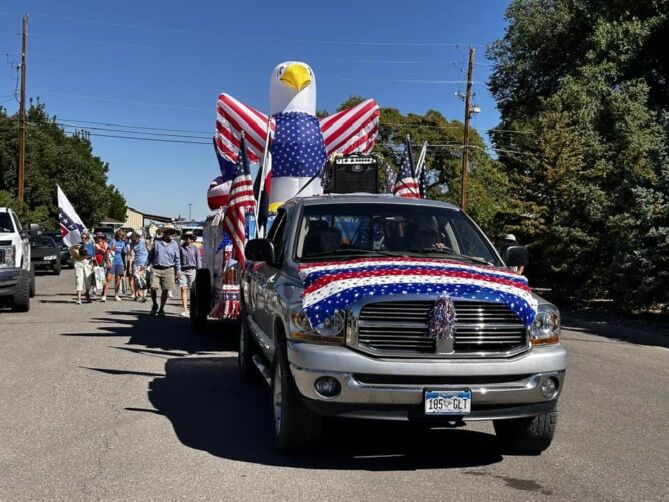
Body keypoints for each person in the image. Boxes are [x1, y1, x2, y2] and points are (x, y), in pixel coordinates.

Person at [148, 225, 181, 316]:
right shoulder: (157, 242)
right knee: (153, 287)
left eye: (173, 232)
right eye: (170, 232)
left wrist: (178, 270)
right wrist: (145, 266)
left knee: (166, 289)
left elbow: (177, 258)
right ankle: (155, 304)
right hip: (156, 268)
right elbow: (150, 255)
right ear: (164, 233)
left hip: (169, 269)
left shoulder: (175, 244)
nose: (172, 234)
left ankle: (161, 309)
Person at [178, 233, 202, 317]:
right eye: (186, 237)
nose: (188, 239)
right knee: (183, 289)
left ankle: (193, 309)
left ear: (192, 239)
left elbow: (198, 259)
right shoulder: (180, 248)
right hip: (182, 270)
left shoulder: (195, 248)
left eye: (190, 237)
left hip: (192, 270)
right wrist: (177, 271)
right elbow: (177, 260)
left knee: (193, 290)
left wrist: (199, 271)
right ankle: (185, 310)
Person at [103, 229, 127, 302]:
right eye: (123, 236)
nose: (124, 237)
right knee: (108, 278)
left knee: (118, 279)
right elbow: (107, 252)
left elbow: (123, 254)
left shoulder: (123, 242)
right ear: (120, 235)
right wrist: (108, 262)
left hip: (119, 262)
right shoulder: (113, 241)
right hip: (112, 262)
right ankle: (104, 295)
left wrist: (124, 264)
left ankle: (116, 295)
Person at [128, 232, 149, 302]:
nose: (134, 241)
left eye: (134, 239)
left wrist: (147, 263)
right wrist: (130, 266)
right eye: (132, 240)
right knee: (136, 279)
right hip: (136, 263)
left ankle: (144, 296)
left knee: (145, 280)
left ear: (138, 237)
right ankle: (136, 295)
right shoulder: (132, 244)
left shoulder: (143, 241)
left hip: (145, 262)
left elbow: (149, 250)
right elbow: (131, 255)